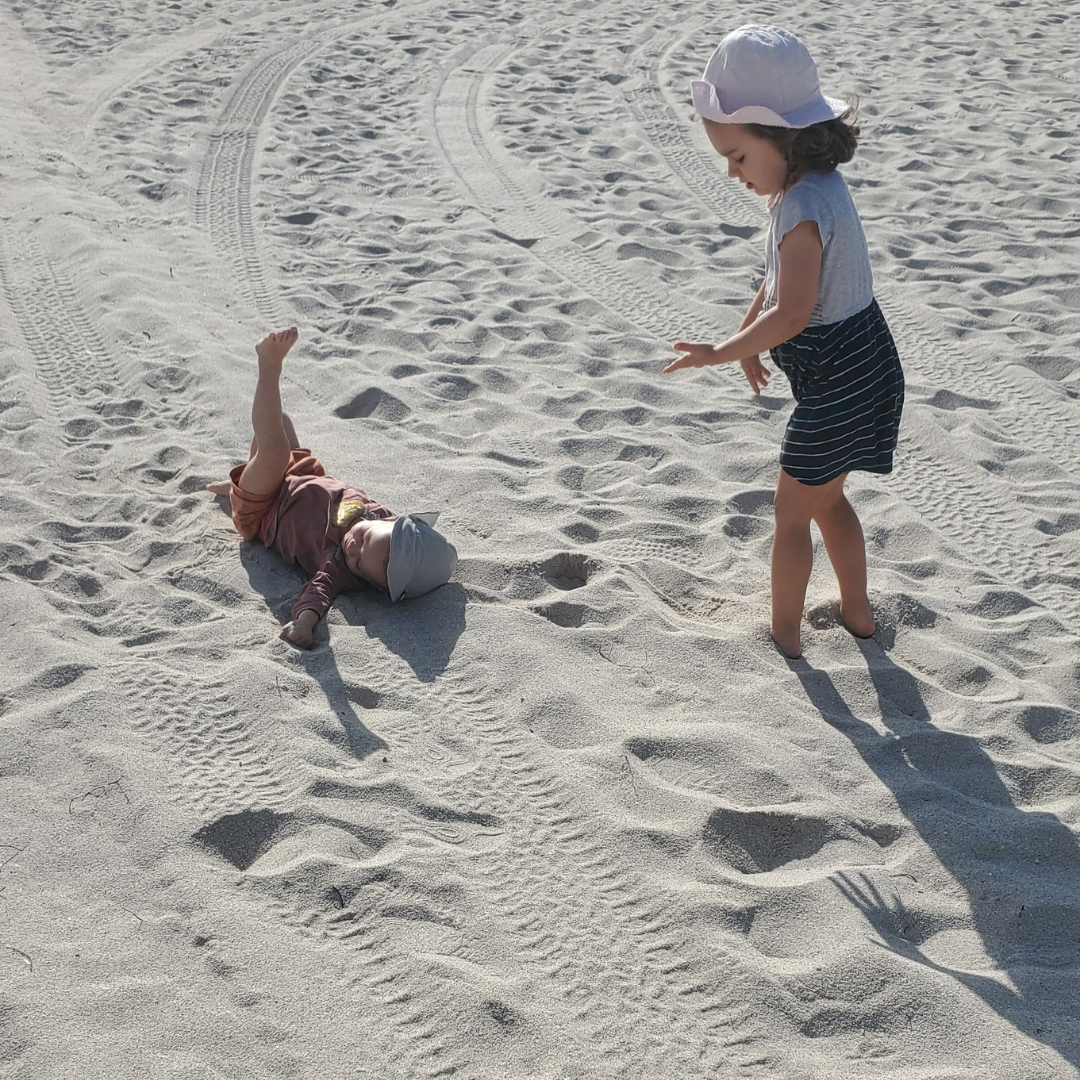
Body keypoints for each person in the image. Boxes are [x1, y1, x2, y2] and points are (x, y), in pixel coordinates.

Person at [663, 25, 904, 660]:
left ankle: (786, 637)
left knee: (791, 511)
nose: (733, 173)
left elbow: (794, 314)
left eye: (739, 157)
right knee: (828, 500)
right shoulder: (811, 187)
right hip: (868, 364)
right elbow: (774, 286)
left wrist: (719, 350)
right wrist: (747, 339)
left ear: (783, 137)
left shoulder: (800, 211)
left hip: (839, 378)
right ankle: (859, 616)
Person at [208, 326, 458, 648]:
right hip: (299, 475)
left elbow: (320, 590)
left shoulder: (340, 565)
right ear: (392, 521)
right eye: (365, 538)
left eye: (357, 562)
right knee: (280, 421)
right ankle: (237, 486)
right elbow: (416, 544)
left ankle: (269, 365)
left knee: (273, 449)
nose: (353, 549)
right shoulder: (385, 519)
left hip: (265, 510)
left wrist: (305, 621)